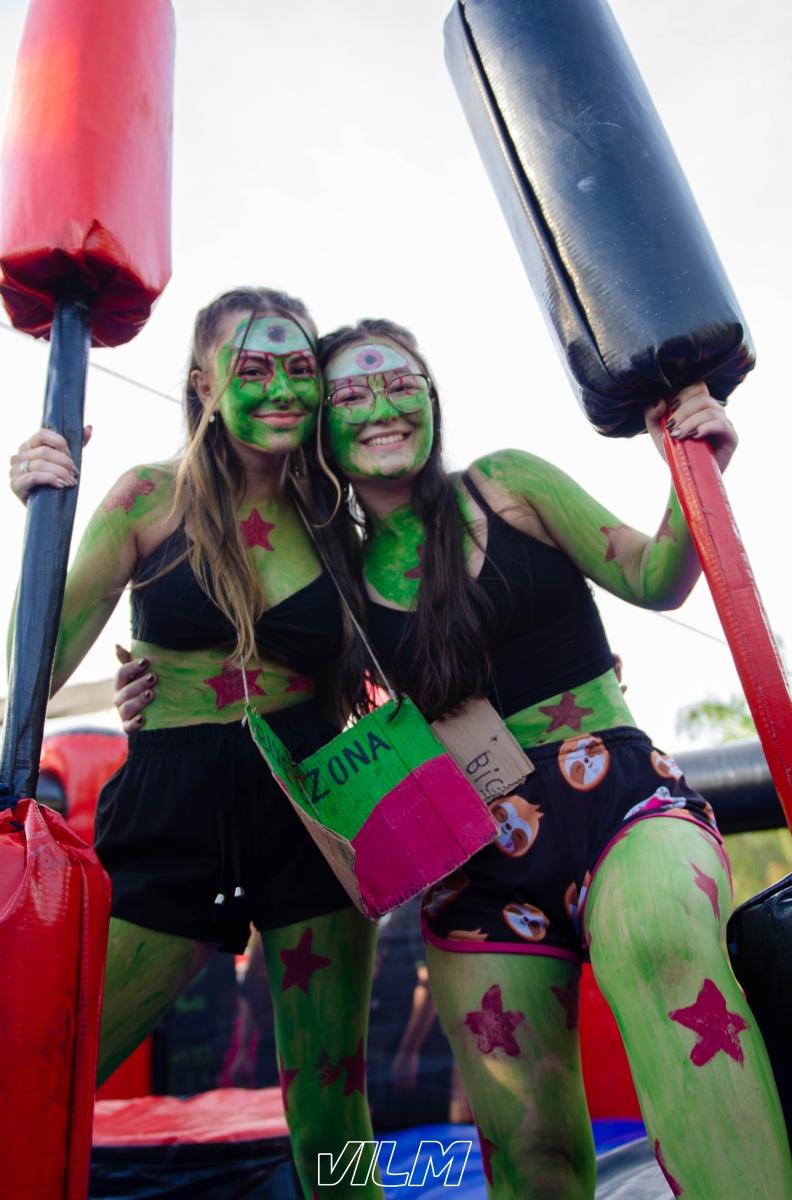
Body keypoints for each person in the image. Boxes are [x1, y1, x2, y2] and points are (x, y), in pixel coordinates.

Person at [308, 319, 790, 1199]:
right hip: (474, 864)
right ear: (321, 426)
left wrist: (694, 469)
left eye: (399, 381)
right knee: (529, 1149)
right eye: (348, 392)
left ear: (429, 397)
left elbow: (653, 577)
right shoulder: (332, 578)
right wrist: (153, 683)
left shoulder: (507, 483)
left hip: (619, 804)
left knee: (662, 949)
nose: (379, 404)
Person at [8, 287, 382, 1200]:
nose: (282, 388)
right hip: (172, 807)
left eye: (299, 368)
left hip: (314, 808)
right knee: (43, 1077)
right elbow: (34, 670)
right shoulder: (149, 497)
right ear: (203, 382)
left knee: (333, 1112)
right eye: (253, 368)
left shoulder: (339, 516)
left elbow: (415, 648)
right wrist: (44, 515)